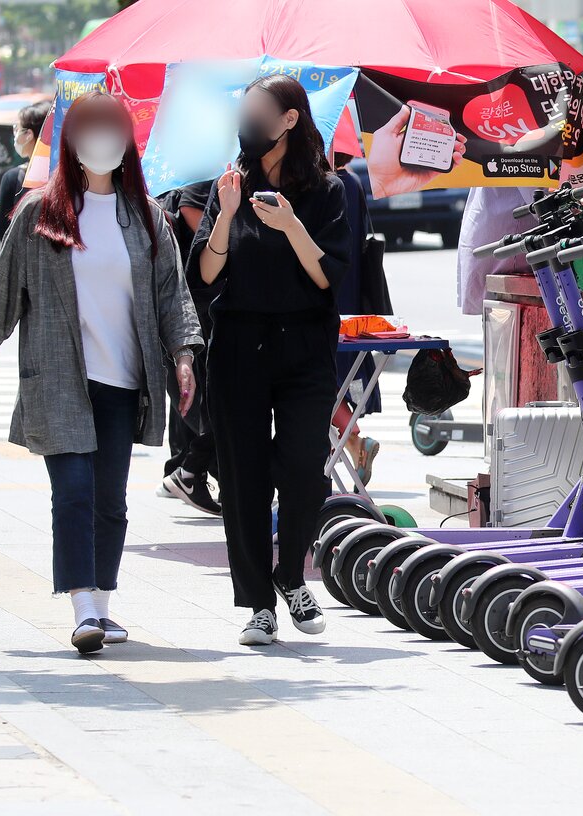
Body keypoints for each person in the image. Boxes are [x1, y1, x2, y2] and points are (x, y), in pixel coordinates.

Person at [193, 75, 461, 646]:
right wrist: (226, 213)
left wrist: (290, 225)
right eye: (244, 112)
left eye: (259, 112)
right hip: (238, 345)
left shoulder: (328, 190)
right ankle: (259, 604)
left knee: (300, 465)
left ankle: (291, 576)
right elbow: (206, 273)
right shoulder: (229, 184)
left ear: (289, 120)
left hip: (303, 346)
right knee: (243, 477)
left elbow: (326, 277)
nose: (248, 123)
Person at [0, 91, 202, 654]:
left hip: (123, 381)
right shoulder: (41, 212)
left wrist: (184, 353)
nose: (103, 141)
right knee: (72, 492)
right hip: (60, 376)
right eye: (92, 130)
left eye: (112, 130)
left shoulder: (146, 216)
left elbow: (172, 295)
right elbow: (4, 289)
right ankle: (83, 607)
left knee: (109, 498)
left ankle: (104, 602)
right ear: (70, 140)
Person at [156, 180, 221, 515]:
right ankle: (188, 469)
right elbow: (195, 219)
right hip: (202, 304)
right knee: (212, 399)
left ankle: (188, 469)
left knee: (202, 396)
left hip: (206, 305)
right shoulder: (204, 174)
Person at [331, 151, 382, 484]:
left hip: (327, 296)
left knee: (320, 381)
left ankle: (353, 439)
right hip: (350, 296)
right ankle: (352, 440)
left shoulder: (325, 185)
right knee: (334, 381)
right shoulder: (351, 182)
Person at [455, 186, 539, 316]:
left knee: (500, 324)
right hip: (510, 239)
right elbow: (538, 199)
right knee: (511, 324)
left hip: (494, 231)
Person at [0, 100, 52, 237]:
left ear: (28, 135)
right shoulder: (67, 175)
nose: (15, 134)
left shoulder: (13, 178)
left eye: (17, 128)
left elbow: (3, 231)